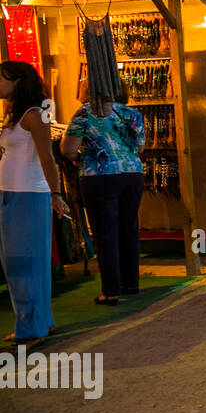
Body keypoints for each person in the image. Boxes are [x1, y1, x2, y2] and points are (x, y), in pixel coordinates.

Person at [0, 62, 69, 346]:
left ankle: (31, 329)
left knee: (25, 262)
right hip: (9, 191)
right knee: (17, 262)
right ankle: (38, 322)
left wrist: (56, 194)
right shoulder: (13, 116)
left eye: (1, 79)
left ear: (18, 81)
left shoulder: (35, 115)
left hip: (28, 193)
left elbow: (47, 157)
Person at [60, 88, 145, 305]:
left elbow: (68, 149)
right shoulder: (132, 114)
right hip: (132, 173)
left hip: (100, 175)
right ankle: (131, 282)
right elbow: (140, 147)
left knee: (105, 232)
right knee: (128, 228)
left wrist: (83, 160)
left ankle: (110, 290)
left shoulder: (84, 113)